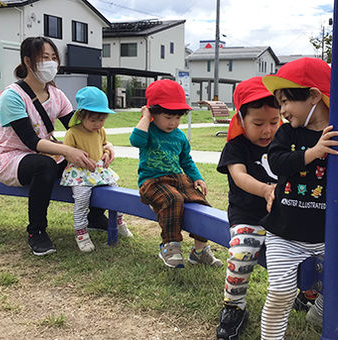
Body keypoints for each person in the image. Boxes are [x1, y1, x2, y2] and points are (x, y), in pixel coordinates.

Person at [259, 57, 338, 339]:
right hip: (284, 234)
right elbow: (277, 162)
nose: (282, 110)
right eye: (280, 103)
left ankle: (318, 314)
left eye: (286, 101)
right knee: (281, 292)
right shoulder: (288, 132)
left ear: (313, 96)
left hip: (327, 237)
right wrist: (313, 152)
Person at [0, 37, 115, 256]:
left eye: (53, 57)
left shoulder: (56, 95)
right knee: (45, 165)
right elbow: (30, 142)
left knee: (90, 157)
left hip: (47, 154)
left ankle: (94, 215)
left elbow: (81, 128)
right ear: (28, 62)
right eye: (44, 57)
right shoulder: (12, 96)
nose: (51, 63)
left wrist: (105, 145)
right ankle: (36, 231)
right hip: (11, 158)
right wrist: (68, 150)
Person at [129, 79, 223, 269]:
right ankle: (169, 245)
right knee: (173, 199)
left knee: (201, 203)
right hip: (152, 182)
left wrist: (197, 177)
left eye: (177, 117)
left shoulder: (179, 136)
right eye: (168, 116)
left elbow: (186, 160)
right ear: (153, 112)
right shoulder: (148, 130)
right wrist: (146, 117)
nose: (173, 122)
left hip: (178, 179)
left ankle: (199, 251)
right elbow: (136, 141)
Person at [215, 77, 281, 340]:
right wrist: (266, 189)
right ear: (241, 120)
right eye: (258, 124)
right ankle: (234, 306)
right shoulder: (236, 146)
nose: (267, 131)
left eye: (274, 122)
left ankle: (308, 297)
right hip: (248, 217)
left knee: (304, 252)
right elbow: (239, 177)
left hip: (282, 217)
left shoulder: (283, 142)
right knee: (241, 254)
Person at [60, 87, 133, 252]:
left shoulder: (100, 130)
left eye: (102, 120)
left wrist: (106, 152)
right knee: (81, 199)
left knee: (117, 192)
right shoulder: (72, 133)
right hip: (79, 173)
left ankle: (119, 221)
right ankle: (81, 232)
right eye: (93, 120)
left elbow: (104, 145)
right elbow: (67, 153)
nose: (98, 124)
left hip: (99, 171)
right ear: (80, 115)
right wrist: (78, 158)